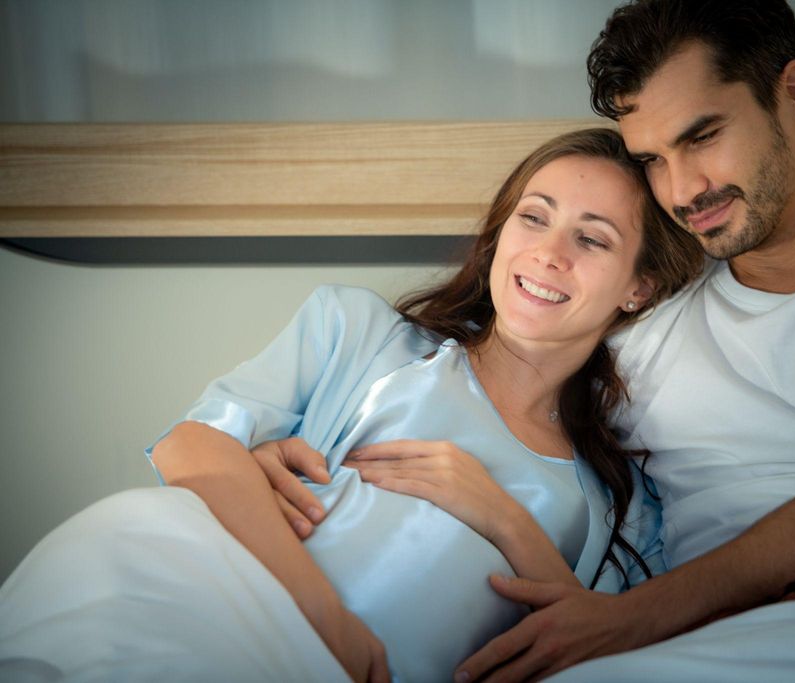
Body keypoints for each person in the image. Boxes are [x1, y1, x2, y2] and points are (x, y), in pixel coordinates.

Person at [428, 1, 795, 680]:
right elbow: (489, 382)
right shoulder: (644, 326)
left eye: (703, 135)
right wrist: (286, 446)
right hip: (702, 645)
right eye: (652, 159)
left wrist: (637, 617)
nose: (682, 190)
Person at [0, 128, 704, 683]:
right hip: (241, 606)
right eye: (534, 218)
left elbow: (599, 647)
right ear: (501, 234)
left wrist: (502, 514)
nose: (549, 253)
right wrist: (324, 618)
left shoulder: (618, 496)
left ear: (638, 288)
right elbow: (190, 445)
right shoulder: (364, 334)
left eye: (591, 238)